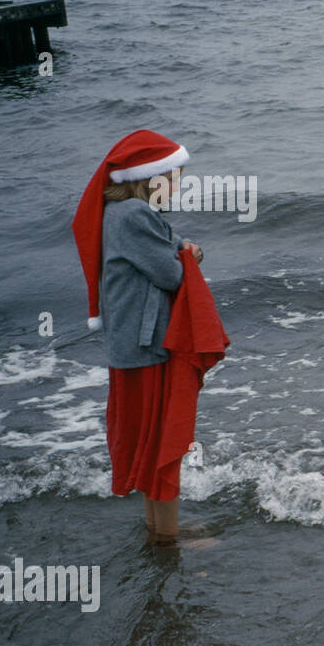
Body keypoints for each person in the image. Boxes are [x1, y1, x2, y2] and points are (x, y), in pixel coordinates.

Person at [72, 129, 225, 547]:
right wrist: (190, 254)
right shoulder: (136, 217)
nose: (177, 184)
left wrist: (182, 249)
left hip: (129, 347)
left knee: (149, 443)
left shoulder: (118, 215)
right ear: (147, 179)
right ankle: (169, 539)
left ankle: (159, 529)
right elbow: (172, 273)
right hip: (149, 346)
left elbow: (168, 247)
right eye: (172, 176)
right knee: (165, 446)